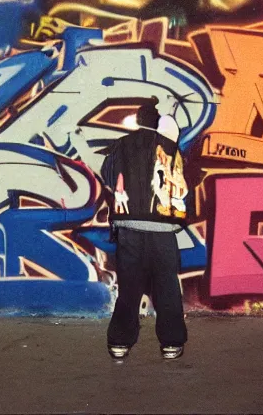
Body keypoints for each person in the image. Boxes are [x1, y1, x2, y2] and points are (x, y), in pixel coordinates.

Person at [100, 97, 189, 361]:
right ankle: (171, 344)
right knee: (167, 288)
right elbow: (182, 183)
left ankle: (119, 343)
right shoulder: (170, 146)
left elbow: (107, 176)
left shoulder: (120, 145)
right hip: (163, 229)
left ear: (138, 122)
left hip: (129, 229)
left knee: (129, 289)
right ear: (157, 123)